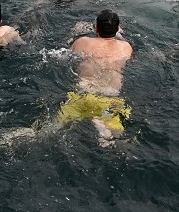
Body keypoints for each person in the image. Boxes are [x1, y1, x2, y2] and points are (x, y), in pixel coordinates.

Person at [57, 10, 133, 146]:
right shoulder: (126, 47)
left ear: (96, 28)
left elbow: (65, 51)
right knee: (118, 138)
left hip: (82, 96)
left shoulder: (82, 42)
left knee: (53, 127)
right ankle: (101, 124)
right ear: (117, 30)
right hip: (109, 102)